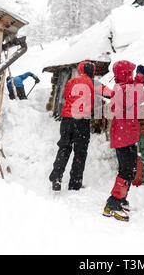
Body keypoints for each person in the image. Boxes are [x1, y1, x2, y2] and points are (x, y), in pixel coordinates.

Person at [102, 61, 144, 222]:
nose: (131, 74)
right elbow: (140, 94)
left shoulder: (121, 88)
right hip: (125, 135)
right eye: (130, 72)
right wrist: (141, 77)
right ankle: (113, 202)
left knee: (128, 168)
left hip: (124, 135)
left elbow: (138, 96)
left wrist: (139, 81)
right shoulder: (125, 89)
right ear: (125, 74)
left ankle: (120, 199)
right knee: (127, 171)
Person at [49, 61, 95, 191]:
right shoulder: (93, 83)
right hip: (82, 121)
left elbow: (64, 98)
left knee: (64, 148)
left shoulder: (71, 81)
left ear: (80, 69)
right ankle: (75, 183)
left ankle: (56, 177)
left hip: (68, 120)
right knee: (80, 152)